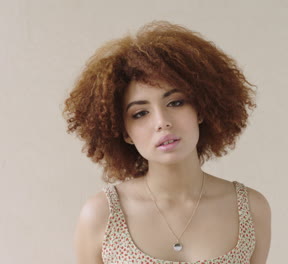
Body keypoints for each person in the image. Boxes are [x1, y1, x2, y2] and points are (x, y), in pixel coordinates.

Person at [63, 20, 271, 264]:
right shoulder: (102, 215)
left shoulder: (250, 209)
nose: (161, 122)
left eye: (176, 102)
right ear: (124, 132)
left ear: (201, 110)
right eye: (140, 113)